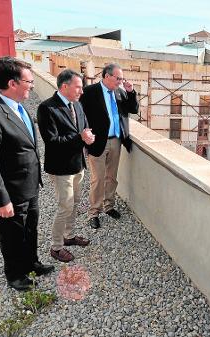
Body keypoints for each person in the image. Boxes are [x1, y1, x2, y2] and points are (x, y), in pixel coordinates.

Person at [0, 56, 54, 291]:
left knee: (30, 228)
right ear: (12, 83)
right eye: (29, 81)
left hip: (28, 185)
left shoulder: (17, 104)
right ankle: (15, 275)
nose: (32, 86)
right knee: (12, 234)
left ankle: (31, 263)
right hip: (9, 191)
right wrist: (2, 200)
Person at [37, 69, 94, 263]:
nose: (82, 91)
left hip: (78, 164)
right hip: (61, 168)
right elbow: (52, 141)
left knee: (75, 202)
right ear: (64, 86)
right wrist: (80, 138)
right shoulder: (47, 108)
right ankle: (56, 247)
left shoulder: (77, 105)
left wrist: (88, 137)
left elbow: (84, 127)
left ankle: (69, 236)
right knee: (65, 206)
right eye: (78, 87)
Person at [79, 63, 138, 229]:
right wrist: (85, 134)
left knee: (111, 177)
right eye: (117, 78)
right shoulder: (90, 92)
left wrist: (131, 92)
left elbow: (133, 109)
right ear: (106, 76)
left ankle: (109, 206)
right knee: (97, 179)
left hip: (116, 140)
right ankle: (94, 212)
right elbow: (79, 113)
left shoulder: (120, 92)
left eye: (122, 78)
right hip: (97, 141)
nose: (120, 81)